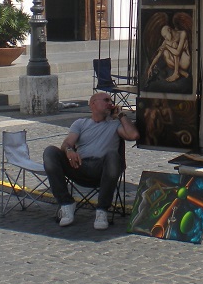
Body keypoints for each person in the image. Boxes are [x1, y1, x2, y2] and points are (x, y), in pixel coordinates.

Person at [43, 93, 139, 230]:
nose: (110, 103)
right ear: (93, 104)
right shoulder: (81, 123)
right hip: (79, 166)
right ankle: (66, 204)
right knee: (50, 152)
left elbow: (134, 135)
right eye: (106, 100)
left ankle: (102, 210)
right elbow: (67, 143)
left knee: (112, 155)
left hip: (103, 169)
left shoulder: (115, 125)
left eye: (110, 101)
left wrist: (121, 115)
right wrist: (70, 151)